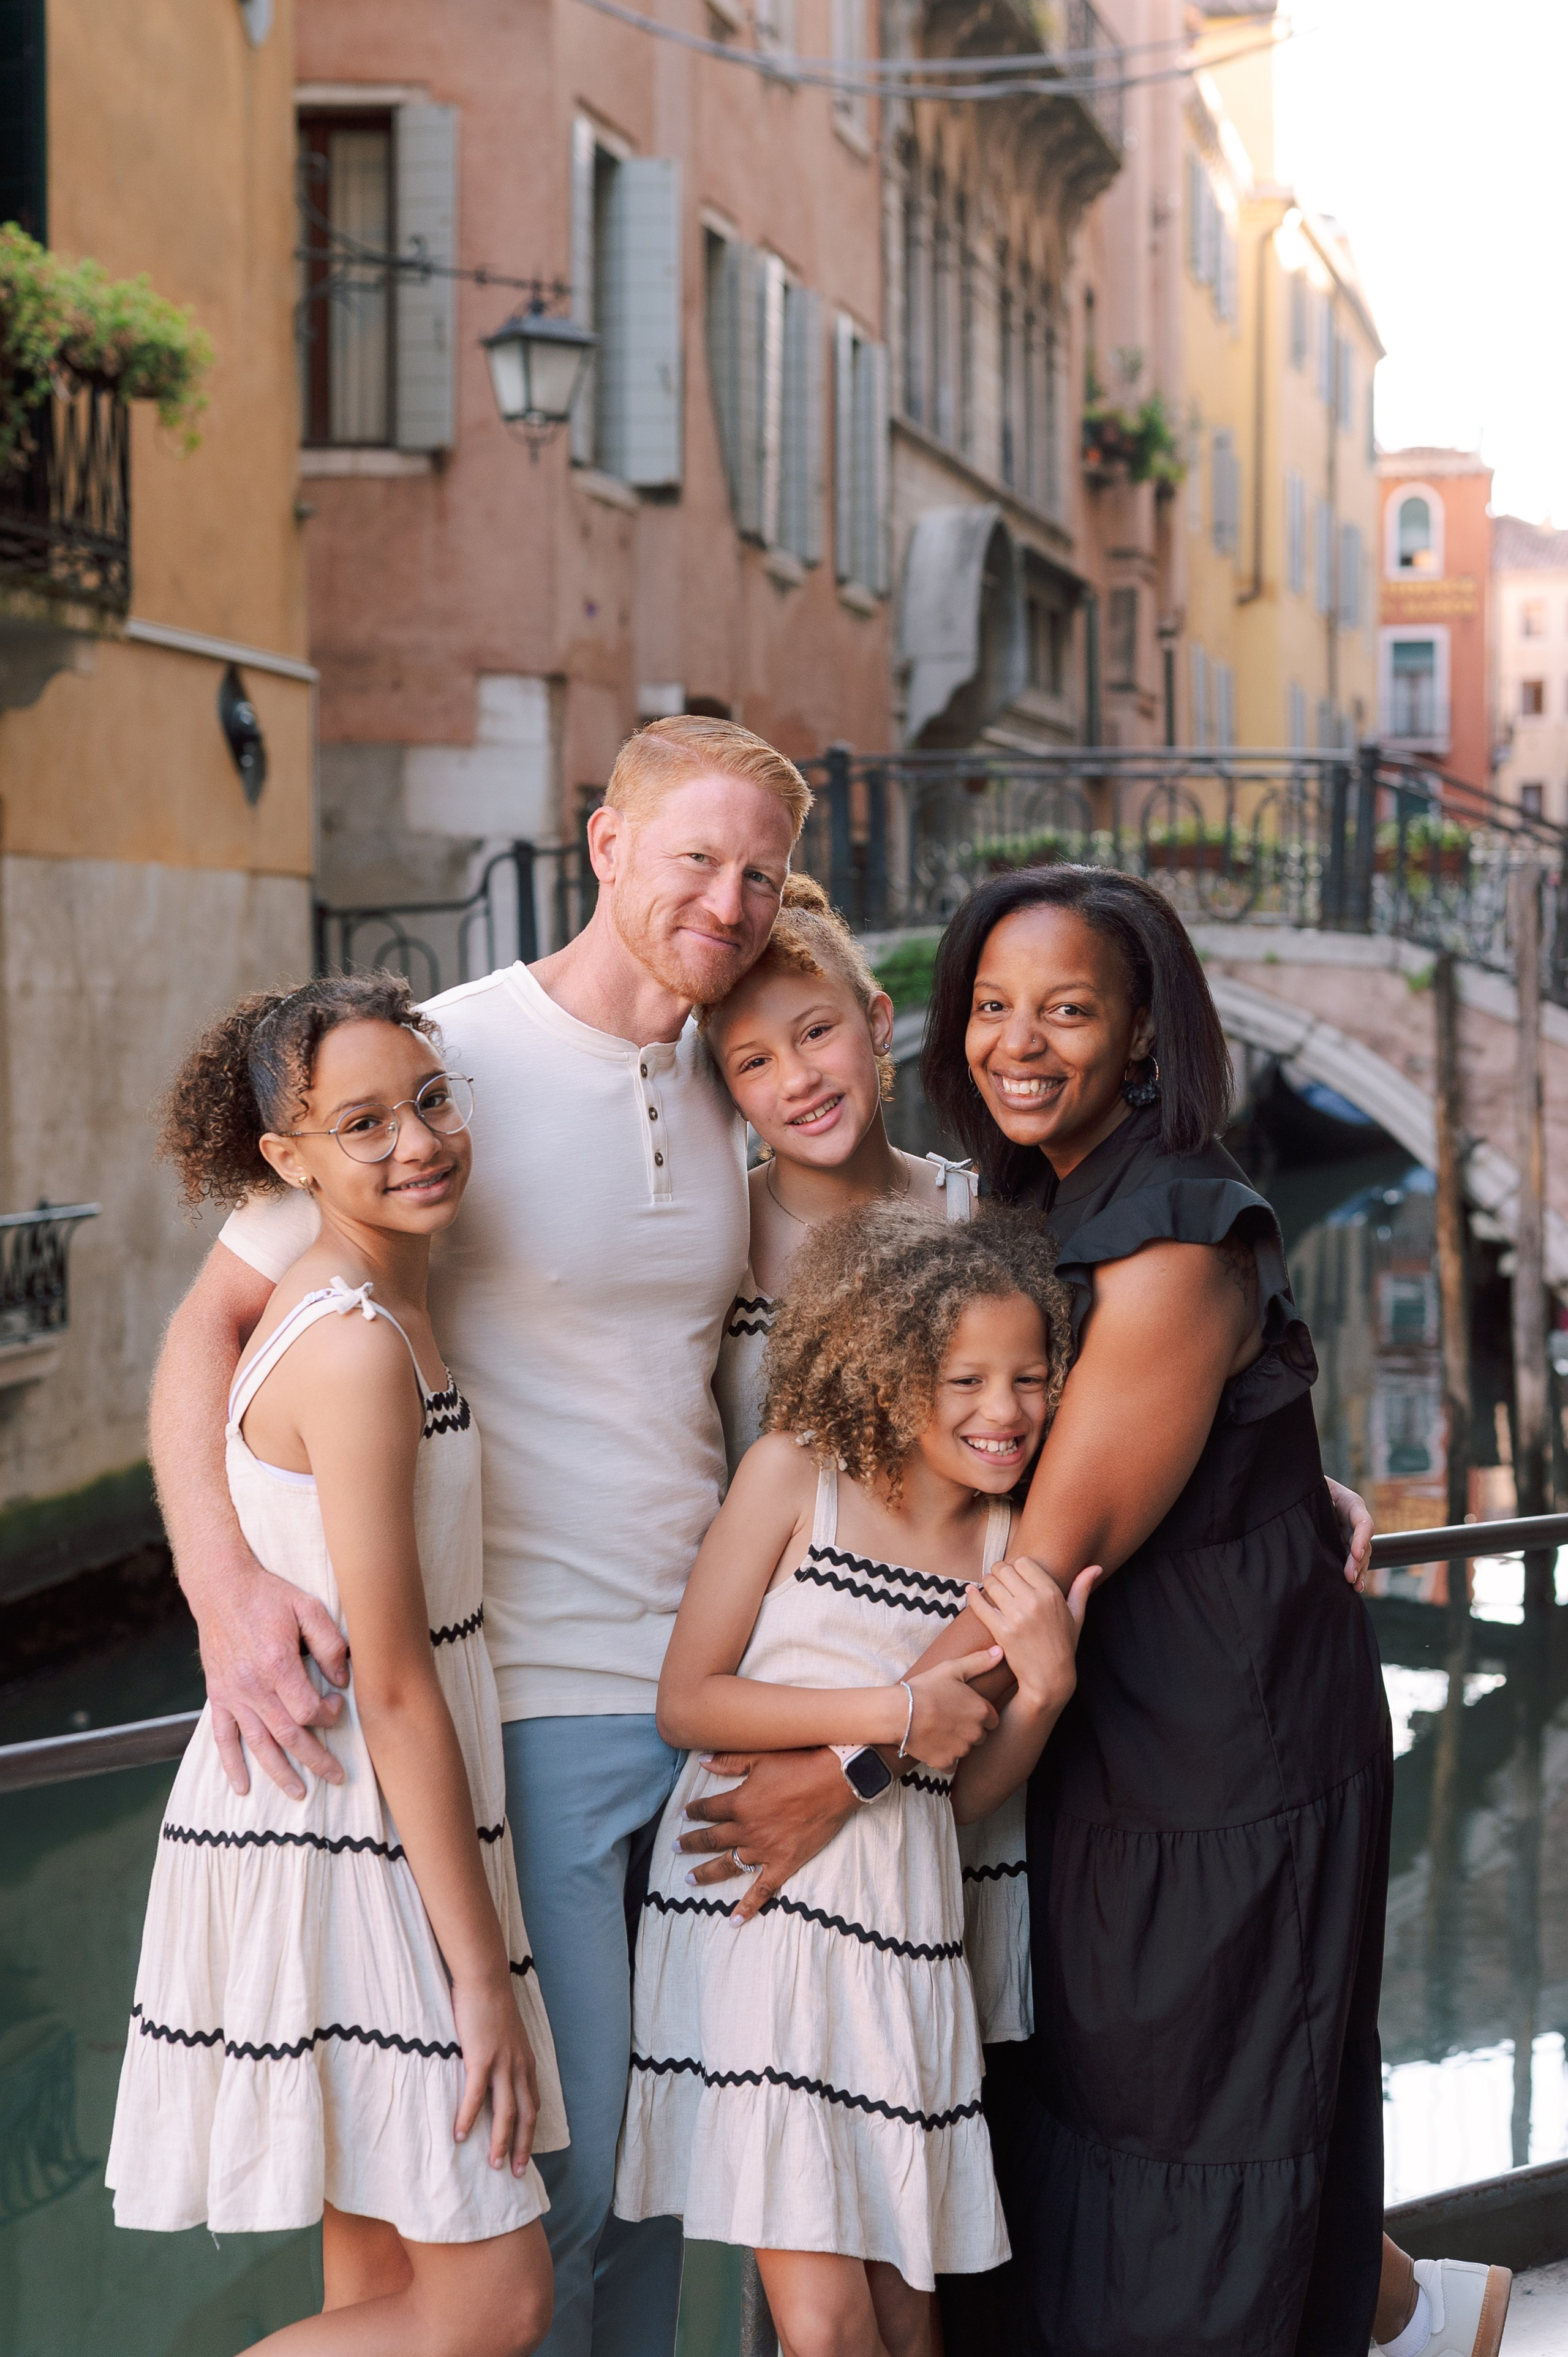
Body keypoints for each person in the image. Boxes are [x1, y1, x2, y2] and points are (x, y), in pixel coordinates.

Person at [146, 717, 807, 2357]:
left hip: (711, 1696)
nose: (725, 902)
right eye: (692, 858)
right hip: (518, 1701)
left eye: (760, 874)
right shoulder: (433, 1063)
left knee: (663, 2179)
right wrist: (225, 1587)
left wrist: (1268, 1450)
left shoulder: (745, 1074)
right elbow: (205, 1337)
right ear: (603, 844)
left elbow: (909, 1247)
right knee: (536, 2195)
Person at [107, 976, 566, 2357]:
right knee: (494, 2302)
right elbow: (397, 1680)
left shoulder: (372, 1304)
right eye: (361, 1124)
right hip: (348, 1817)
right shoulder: (355, 1349)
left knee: (375, 2283)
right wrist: (477, 1974)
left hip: (363, 1806)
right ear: (286, 1163)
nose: (415, 1141)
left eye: (429, 1101)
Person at [614, 1201, 1100, 2357]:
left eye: (1031, 1379)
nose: (1005, 1412)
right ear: (888, 1371)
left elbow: (964, 1795)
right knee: (828, 2325)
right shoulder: (797, 1478)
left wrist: (1042, 1696)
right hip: (758, 1906)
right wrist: (889, 1710)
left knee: (906, 2306)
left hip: (903, 1924)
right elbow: (689, 1699)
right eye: (965, 1379)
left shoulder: (1008, 1547)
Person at [701, 873, 1028, 2046]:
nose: (795, 1080)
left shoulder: (983, 1221)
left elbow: (1071, 1449)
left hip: (968, 1691)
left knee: (950, 2076)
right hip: (773, 1698)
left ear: (880, 1024)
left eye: (818, 1032)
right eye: (750, 1063)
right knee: (786, 2084)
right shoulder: (709, 1243)